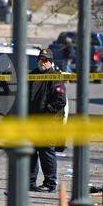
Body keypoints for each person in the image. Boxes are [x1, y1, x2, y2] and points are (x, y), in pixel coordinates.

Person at [28, 49, 67, 192]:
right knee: (30, 152)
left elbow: (60, 100)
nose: (42, 62)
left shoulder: (55, 77)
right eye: (40, 60)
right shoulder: (32, 75)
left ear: (51, 62)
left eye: (45, 60)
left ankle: (50, 184)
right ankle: (29, 182)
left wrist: (46, 114)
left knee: (46, 153)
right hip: (32, 122)